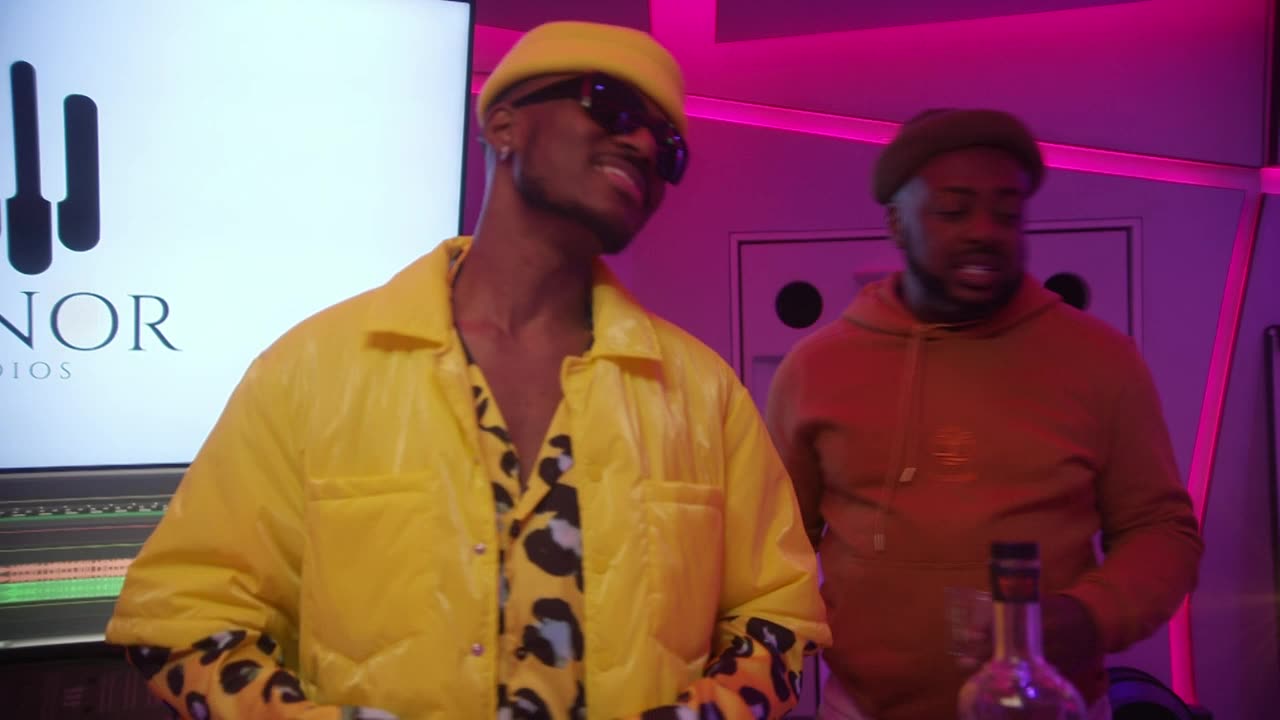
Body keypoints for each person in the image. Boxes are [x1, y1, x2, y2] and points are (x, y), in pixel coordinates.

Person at [106, 21, 829, 720]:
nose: (642, 143)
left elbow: (779, 615)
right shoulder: (315, 369)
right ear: (504, 125)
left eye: (667, 146)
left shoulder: (700, 393)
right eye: (611, 106)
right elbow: (182, 614)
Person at [764, 108, 1203, 720]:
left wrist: (1090, 615)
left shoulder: (1101, 360)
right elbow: (773, 550)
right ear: (897, 223)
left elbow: (1162, 531)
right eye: (954, 210)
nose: (985, 232)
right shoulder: (816, 368)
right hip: (863, 709)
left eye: (1008, 213)